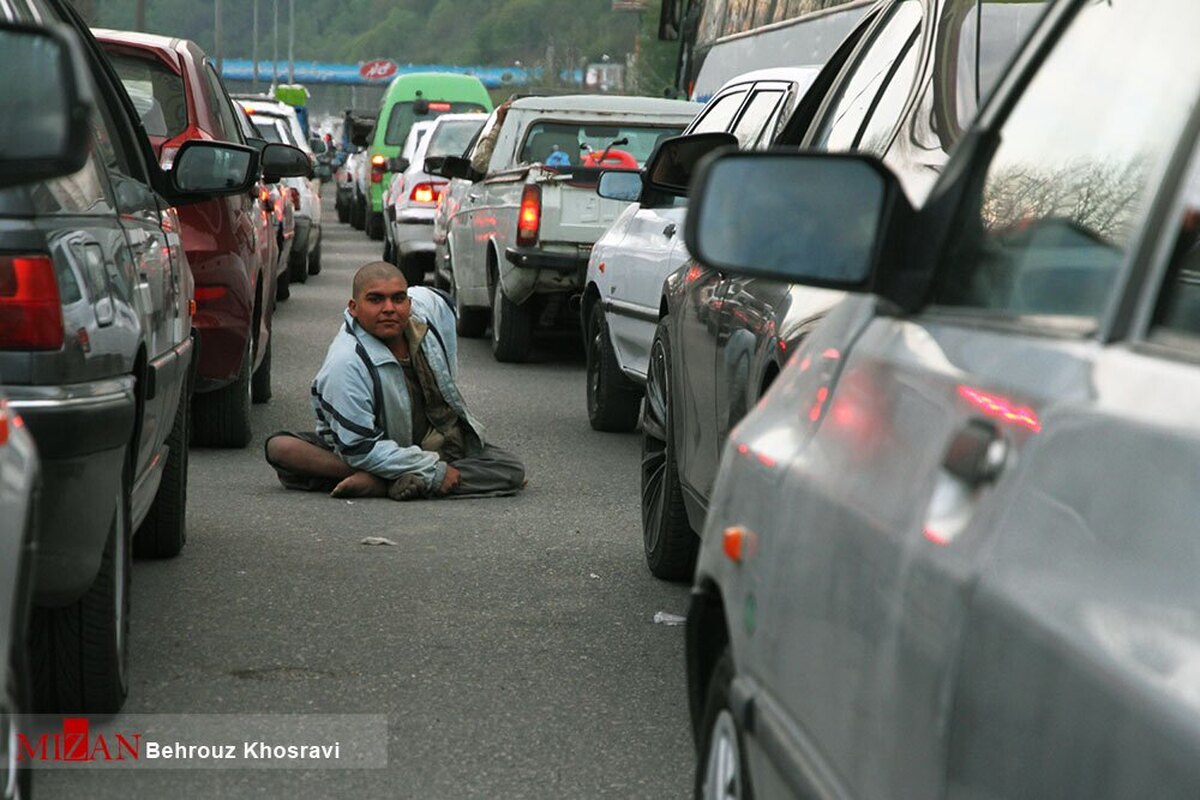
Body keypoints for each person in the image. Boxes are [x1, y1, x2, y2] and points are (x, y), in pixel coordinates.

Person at [265, 261, 526, 501]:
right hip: (365, 448)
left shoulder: (421, 317)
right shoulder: (346, 363)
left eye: (398, 299)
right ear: (353, 308)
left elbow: (442, 300)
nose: (389, 308)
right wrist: (432, 470)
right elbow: (360, 449)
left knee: (510, 469)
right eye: (375, 299)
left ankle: (390, 480)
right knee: (280, 448)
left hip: (436, 444)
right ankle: (386, 480)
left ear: (409, 303)